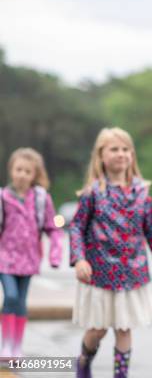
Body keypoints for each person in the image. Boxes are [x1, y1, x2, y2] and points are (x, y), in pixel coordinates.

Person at [69, 127, 152, 378]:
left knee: (124, 328)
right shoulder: (93, 193)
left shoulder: (142, 194)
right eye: (114, 149)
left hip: (131, 273)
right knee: (99, 329)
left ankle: (120, 375)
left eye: (126, 149)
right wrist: (79, 259)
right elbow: (76, 228)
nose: (121, 154)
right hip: (99, 273)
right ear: (101, 156)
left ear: (132, 155)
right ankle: (83, 361)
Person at [0, 148, 62, 357]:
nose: (22, 174)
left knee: (21, 302)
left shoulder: (41, 199)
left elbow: (52, 228)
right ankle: (6, 344)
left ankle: (17, 347)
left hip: (29, 259)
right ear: (11, 170)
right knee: (10, 296)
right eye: (18, 169)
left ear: (34, 175)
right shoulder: (3, 197)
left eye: (27, 171)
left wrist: (55, 254)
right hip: (5, 258)